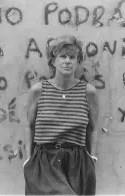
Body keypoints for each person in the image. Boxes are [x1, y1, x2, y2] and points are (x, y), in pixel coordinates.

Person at [23, 35, 99, 195]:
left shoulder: (88, 92)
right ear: (53, 61)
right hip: (45, 161)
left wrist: (92, 158)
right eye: (62, 56)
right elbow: (29, 126)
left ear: (78, 62)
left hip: (77, 162)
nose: (67, 61)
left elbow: (92, 128)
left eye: (72, 57)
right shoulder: (39, 90)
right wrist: (28, 160)